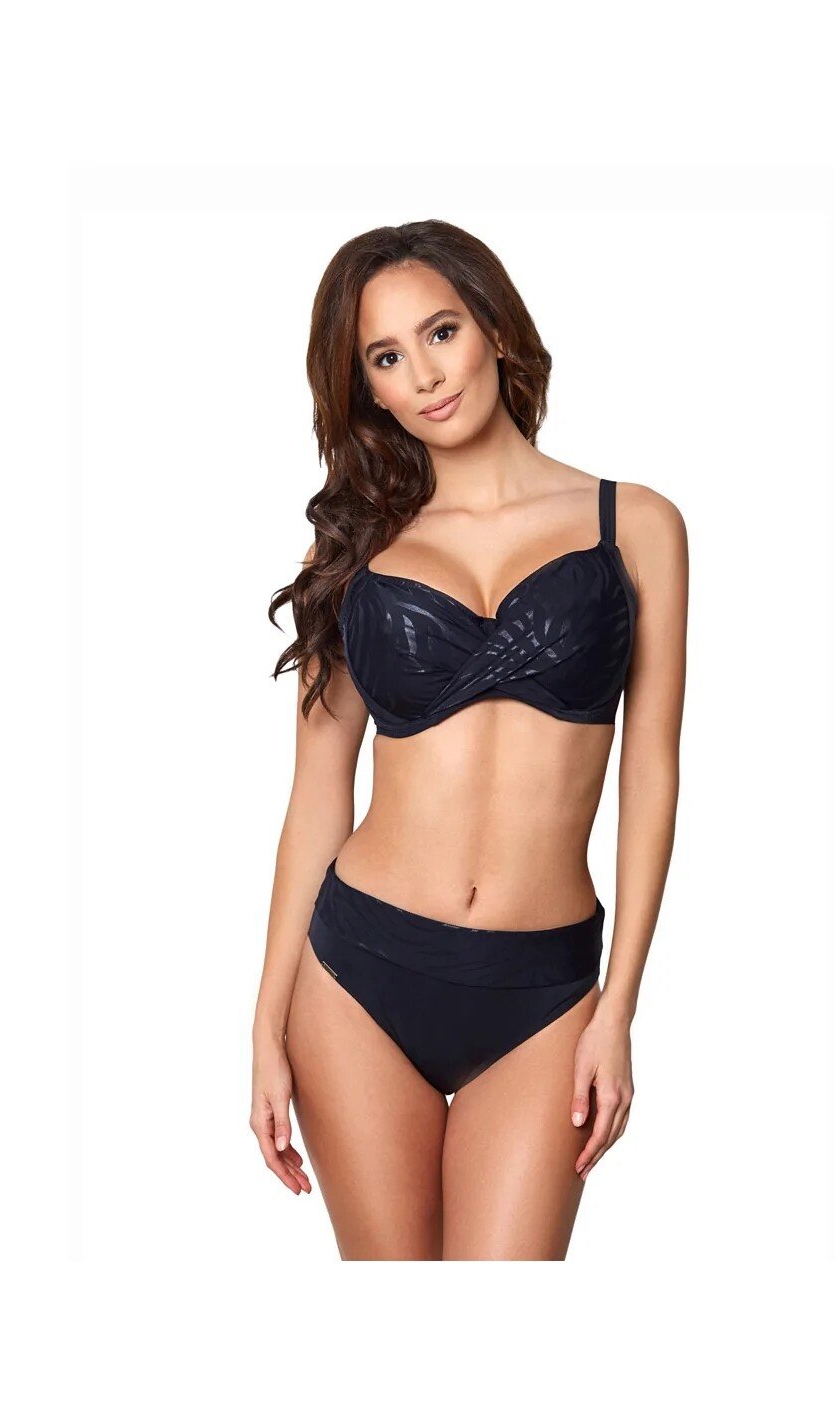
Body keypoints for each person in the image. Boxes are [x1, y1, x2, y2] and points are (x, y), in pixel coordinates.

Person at [252, 219, 688, 1260]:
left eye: (440, 332)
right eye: (385, 357)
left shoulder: (635, 524)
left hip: (544, 992)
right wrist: (265, 1023)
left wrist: (618, 1007)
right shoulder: (353, 548)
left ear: (492, 326)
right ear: (366, 389)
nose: (424, 375)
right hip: (357, 976)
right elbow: (318, 791)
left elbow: (652, 770)